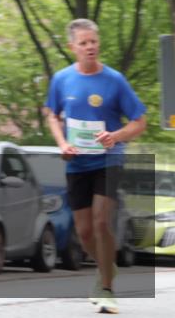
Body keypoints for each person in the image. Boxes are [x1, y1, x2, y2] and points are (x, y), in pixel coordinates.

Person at [44, 19, 147, 315]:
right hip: (77, 162)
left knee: (102, 222)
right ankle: (107, 268)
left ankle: (106, 289)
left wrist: (114, 136)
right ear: (72, 47)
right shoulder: (62, 79)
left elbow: (140, 122)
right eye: (84, 43)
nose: (90, 47)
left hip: (108, 159)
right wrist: (62, 143)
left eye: (94, 41)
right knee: (85, 232)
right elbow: (52, 114)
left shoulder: (114, 80)